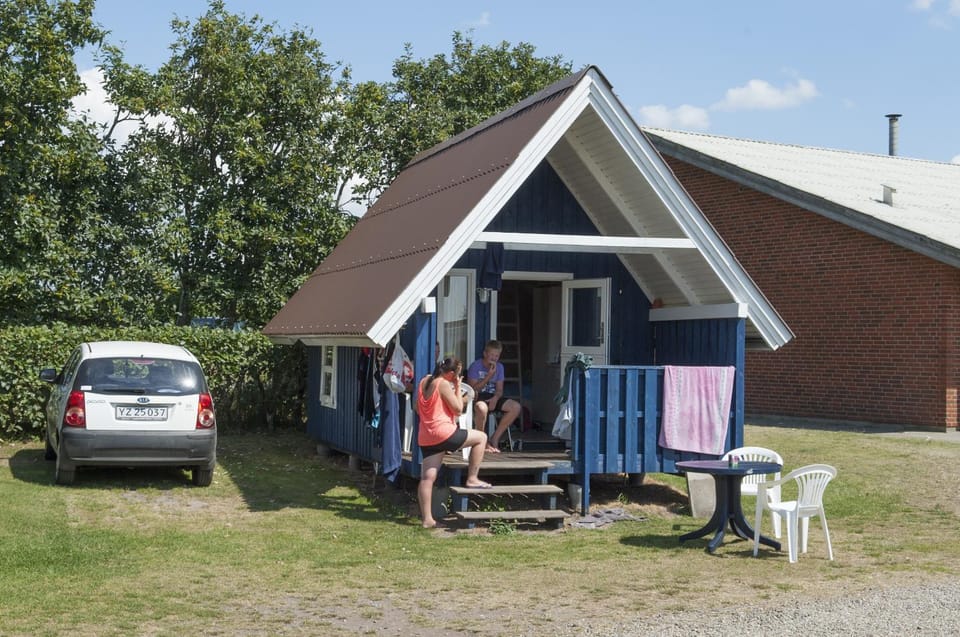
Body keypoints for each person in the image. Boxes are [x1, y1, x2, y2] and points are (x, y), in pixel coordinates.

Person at [416, 356, 492, 528]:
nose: (457, 377)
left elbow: (416, 407)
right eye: (457, 375)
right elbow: (458, 409)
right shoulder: (443, 383)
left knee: (427, 478)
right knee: (481, 438)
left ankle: (427, 520)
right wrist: (457, 387)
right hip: (444, 433)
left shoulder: (424, 381)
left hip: (426, 436)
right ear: (450, 373)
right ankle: (472, 478)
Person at [466, 340, 523, 453]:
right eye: (492, 355)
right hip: (478, 397)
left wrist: (495, 398)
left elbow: (499, 390)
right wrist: (489, 376)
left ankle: (495, 437)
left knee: (515, 407)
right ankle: (482, 441)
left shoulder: (500, 367)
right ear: (485, 354)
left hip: (493, 396)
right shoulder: (475, 366)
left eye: (497, 356)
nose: (494, 358)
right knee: (481, 408)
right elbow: (473, 390)